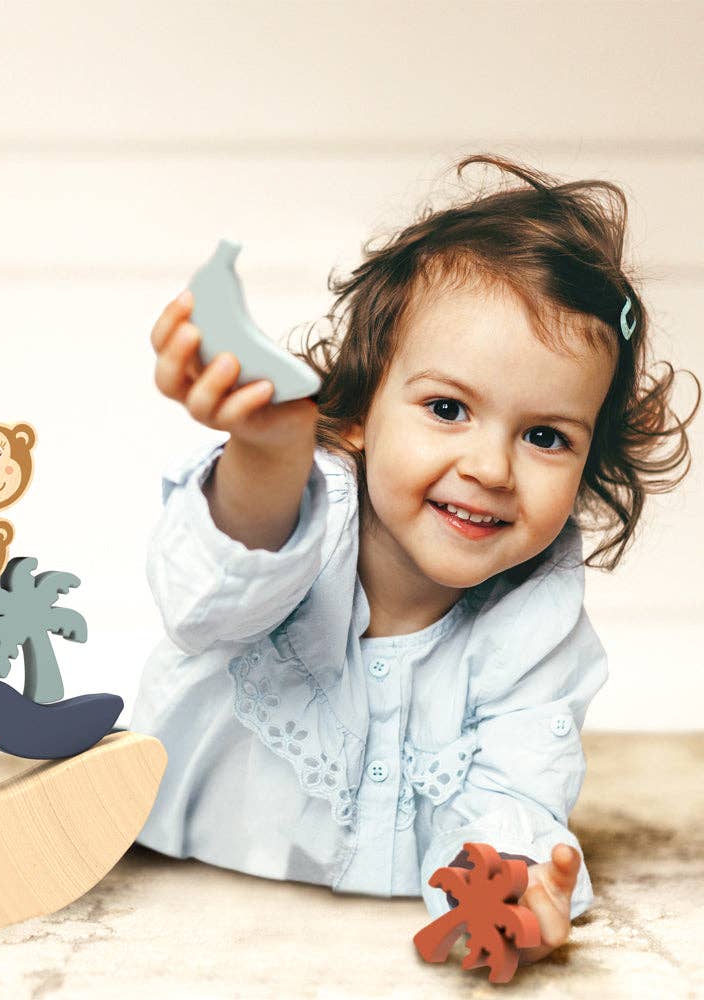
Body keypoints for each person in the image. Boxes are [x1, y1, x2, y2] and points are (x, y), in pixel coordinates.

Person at [129, 154, 699, 964]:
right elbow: (209, 599)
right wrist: (266, 455)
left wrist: (506, 891)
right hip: (173, 902)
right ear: (358, 410)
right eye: (447, 408)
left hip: (368, 955)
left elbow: (511, 794)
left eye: (545, 436)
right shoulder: (302, 509)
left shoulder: (538, 626)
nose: (491, 468)